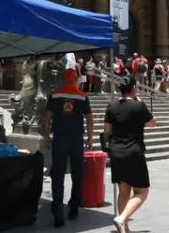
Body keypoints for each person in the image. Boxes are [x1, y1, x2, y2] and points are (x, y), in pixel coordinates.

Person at [105, 75, 156, 233]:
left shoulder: (111, 107)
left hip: (116, 153)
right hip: (134, 153)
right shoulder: (138, 106)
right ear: (133, 88)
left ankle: (124, 228)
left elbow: (107, 131)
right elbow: (152, 123)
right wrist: (140, 103)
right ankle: (122, 218)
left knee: (124, 190)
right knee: (142, 192)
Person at [44, 69, 94, 227]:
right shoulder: (82, 96)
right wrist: (90, 138)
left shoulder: (54, 94)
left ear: (63, 79)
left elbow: (47, 117)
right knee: (78, 174)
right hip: (76, 140)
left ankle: (58, 211)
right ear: (75, 79)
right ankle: (73, 208)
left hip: (59, 139)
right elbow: (89, 119)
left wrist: (47, 136)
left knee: (58, 174)